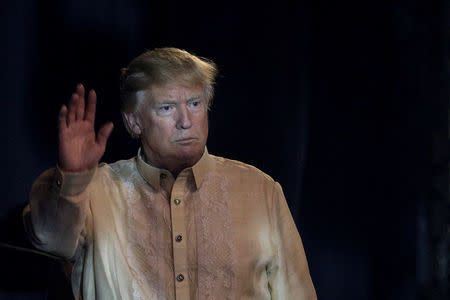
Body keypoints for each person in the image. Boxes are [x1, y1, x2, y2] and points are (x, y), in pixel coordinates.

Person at [23, 47, 317, 299]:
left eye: (194, 104)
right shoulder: (95, 191)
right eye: (167, 108)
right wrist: (72, 178)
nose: (185, 121)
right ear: (134, 121)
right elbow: (48, 239)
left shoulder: (260, 191)